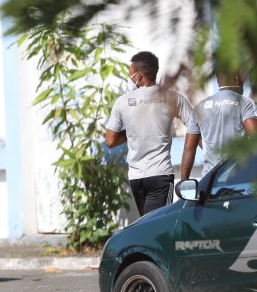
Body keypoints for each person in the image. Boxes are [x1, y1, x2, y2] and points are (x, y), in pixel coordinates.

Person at [105, 51, 198, 216]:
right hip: (160, 175)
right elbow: (196, 128)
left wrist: (133, 130)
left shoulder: (122, 102)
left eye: (131, 75)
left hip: (136, 178)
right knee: (157, 226)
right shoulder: (173, 98)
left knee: (148, 225)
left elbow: (110, 140)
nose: (131, 79)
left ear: (139, 76)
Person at [183, 70, 257, 176]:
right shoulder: (244, 102)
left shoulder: (199, 107)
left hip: (210, 181)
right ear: (236, 78)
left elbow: (188, 149)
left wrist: (183, 184)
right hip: (236, 178)